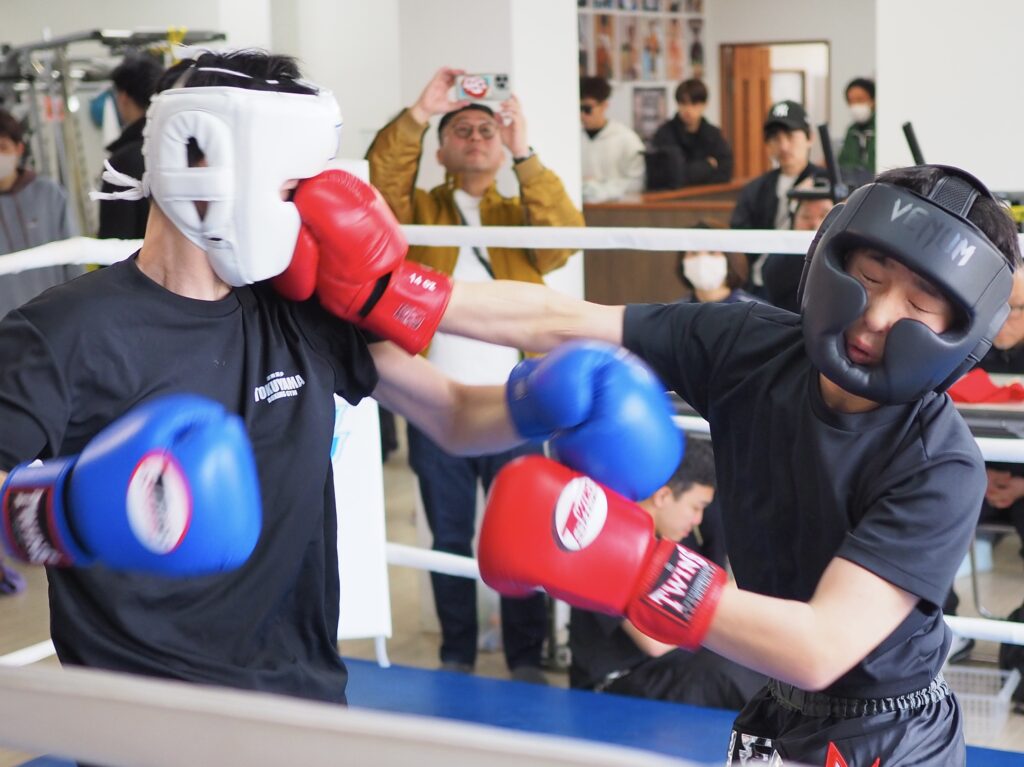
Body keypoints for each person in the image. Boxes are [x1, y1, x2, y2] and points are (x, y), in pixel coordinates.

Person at [0, 49, 681, 711]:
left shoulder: (298, 307)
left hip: (306, 694)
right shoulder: (63, 331)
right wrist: (61, 515)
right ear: (195, 157)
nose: (305, 206)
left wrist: (543, 401)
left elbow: (448, 412)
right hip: (140, 716)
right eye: (288, 186)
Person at [440, 163, 1021, 765]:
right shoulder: (751, 344)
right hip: (778, 700)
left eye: (919, 304)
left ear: (960, 334)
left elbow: (821, 646)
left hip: (888, 733)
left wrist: (633, 566)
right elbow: (560, 319)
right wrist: (403, 293)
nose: (876, 315)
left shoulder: (940, 464)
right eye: (870, 278)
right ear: (832, 257)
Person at [366, 67, 584, 682]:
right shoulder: (417, 213)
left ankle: (525, 657)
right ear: (439, 151)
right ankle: (456, 654)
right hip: (433, 402)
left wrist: (525, 151)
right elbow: (382, 180)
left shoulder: (518, 213)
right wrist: (419, 111)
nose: (475, 138)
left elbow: (563, 242)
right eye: (460, 130)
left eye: (486, 130)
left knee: (523, 534)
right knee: (448, 536)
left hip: (517, 403)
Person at [570, 436, 767, 709]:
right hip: (616, 683)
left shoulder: (670, 539)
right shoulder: (607, 544)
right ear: (663, 496)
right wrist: (725, 591)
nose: (698, 519)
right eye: (695, 507)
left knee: (760, 662)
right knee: (730, 675)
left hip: (666, 668)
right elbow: (654, 643)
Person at [730, 100, 824, 296]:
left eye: (790, 136)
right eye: (775, 138)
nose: (783, 146)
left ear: (810, 138)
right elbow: (739, 239)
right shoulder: (755, 190)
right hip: (757, 287)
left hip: (808, 286)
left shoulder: (826, 184)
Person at [0, 108, 80, 317]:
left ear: (19, 148)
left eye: (3, 147)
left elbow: (73, 257)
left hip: (55, 317)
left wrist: (80, 309)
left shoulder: (49, 194)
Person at [96, 54, 164, 240]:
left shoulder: (120, 165)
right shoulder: (182, 149)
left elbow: (114, 241)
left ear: (123, 97)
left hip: (140, 257)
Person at [761, 178, 840, 313]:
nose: (815, 224)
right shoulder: (782, 256)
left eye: (824, 216)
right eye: (806, 216)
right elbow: (771, 279)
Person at [649, 79, 732, 190]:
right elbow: (674, 176)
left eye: (694, 104)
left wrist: (690, 171)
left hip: (707, 196)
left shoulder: (714, 134)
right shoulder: (664, 134)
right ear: (678, 104)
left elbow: (725, 173)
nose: (688, 109)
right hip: (672, 198)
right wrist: (708, 166)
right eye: (683, 103)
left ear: (705, 105)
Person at [579, 76, 645, 203]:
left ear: (604, 105)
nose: (582, 115)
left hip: (615, 210)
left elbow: (637, 182)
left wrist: (602, 188)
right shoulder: (572, 139)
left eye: (587, 109)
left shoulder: (626, 139)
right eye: (578, 109)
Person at [676, 224, 755, 305]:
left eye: (712, 252)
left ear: (730, 259)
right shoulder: (674, 311)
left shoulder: (754, 309)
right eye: (693, 253)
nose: (702, 260)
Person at [838, 78, 876, 187]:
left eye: (860, 100)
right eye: (851, 101)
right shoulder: (851, 131)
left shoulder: (881, 129)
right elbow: (843, 163)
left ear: (873, 100)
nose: (855, 105)